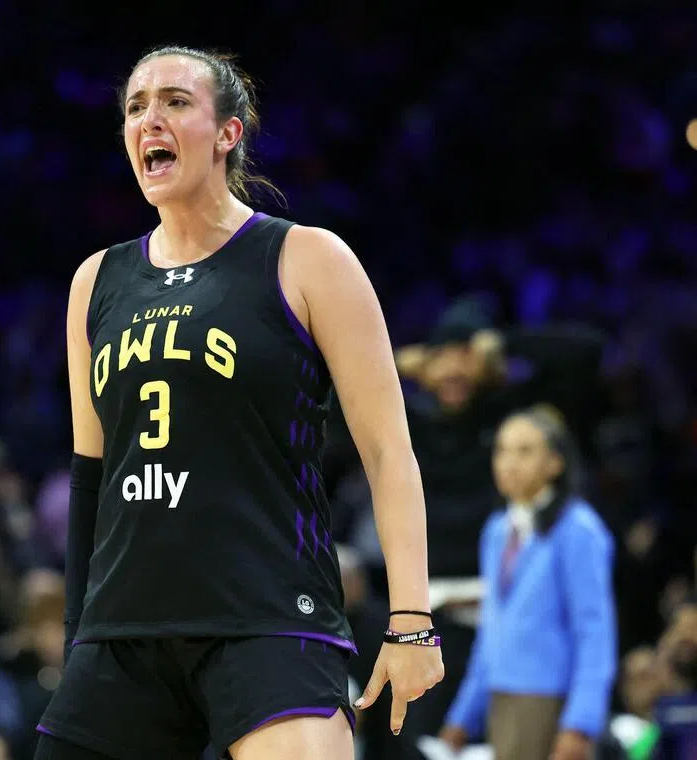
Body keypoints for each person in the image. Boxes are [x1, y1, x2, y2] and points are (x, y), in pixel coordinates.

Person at [36, 45, 443, 760]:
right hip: (127, 628)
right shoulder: (96, 281)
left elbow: (388, 451)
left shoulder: (307, 258)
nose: (148, 119)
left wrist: (411, 620)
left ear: (229, 132)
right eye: (135, 106)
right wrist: (79, 638)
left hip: (268, 615)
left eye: (174, 102)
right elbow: (90, 476)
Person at [439, 407, 618, 760]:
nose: (509, 463)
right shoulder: (496, 531)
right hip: (500, 699)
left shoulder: (578, 530)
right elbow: (491, 629)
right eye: (502, 450)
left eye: (525, 451)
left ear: (555, 462)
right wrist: (462, 716)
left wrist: (580, 724)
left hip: (551, 702)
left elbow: (595, 632)